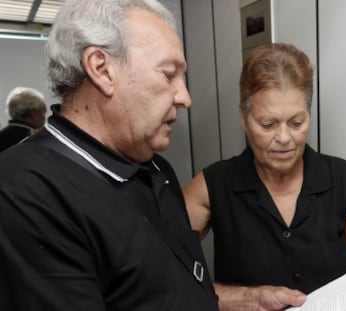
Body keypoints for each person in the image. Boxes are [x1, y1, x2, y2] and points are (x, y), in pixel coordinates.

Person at [0, 1, 225, 310]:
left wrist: (245, 299)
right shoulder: (23, 193)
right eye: (169, 74)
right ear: (102, 69)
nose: (184, 97)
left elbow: (168, 290)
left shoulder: (158, 168)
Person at [183, 43, 346, 310]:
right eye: (268, 124)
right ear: (244, 117)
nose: (285, 138)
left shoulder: (345, 182)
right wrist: (245, 299)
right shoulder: (211, 187)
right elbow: (164, 279)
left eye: (297, 123)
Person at [0, 86, 47, 151]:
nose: (44, 118)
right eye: (43, 113)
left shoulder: (2, 135)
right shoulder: (34, 139)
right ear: (33, 114)